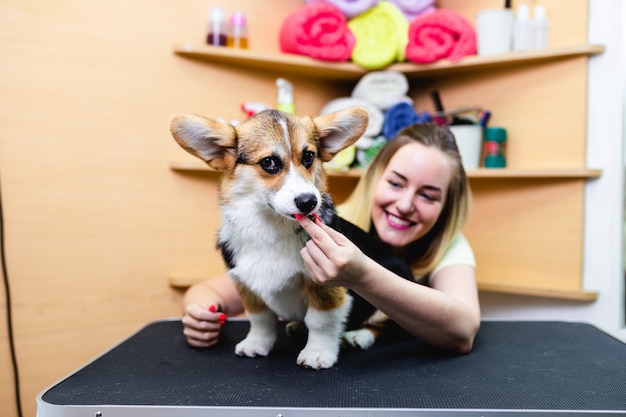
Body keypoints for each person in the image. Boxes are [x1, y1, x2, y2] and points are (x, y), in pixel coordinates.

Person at [181, 123, 480, 353]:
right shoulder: (309, 218)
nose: (405, 204)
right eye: (395, 183)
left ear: (447, 206)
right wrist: (201, 313)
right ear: (374, 176)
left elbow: (463, 331)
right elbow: (221, 288)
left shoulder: (452, 245)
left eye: (428, 195)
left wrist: (360, 275)